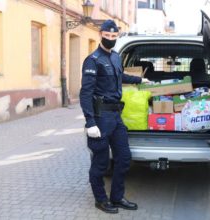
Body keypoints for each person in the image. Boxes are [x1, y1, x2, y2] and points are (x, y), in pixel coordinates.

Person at [79, 19, 149, 214]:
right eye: (107, 35)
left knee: (124, 158)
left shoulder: (116, 57)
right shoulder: (93, 60)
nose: (110, 39)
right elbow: (85, 94)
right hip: (100, 118)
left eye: (113, 36)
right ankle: (100, 199)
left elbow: (121, 77)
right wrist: (90, 122)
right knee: (101, 163)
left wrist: (140, 79)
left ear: (117, 36)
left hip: (116, 117)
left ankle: (117, 197)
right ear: (100, 35)